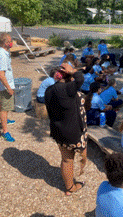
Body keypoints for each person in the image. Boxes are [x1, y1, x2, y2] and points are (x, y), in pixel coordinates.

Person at [45, 63, 87, 195]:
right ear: (67, 76)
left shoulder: (49, 90)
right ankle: (77, 175)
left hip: (58, 131)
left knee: (66, 159)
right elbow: (80, 79)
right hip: (73, 132)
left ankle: (69, 187)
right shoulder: (67, 89)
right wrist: (73, 71)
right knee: (78, 156)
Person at [0, 33, 16, 142]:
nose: (12, 43)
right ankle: (5, 132)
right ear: (6, 43)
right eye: (10, 41)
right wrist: (9, 88)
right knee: (4, 108)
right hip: (5, 86)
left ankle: (5, 120)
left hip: (3, 85)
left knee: (4, 105)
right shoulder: (2, 55)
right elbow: (1, 75)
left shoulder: (1, 52)